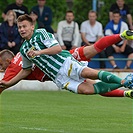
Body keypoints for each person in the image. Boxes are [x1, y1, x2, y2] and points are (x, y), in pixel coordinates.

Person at [0, 14, 133, 96]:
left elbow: (57, 48)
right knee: (87, 90)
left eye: (24, 26)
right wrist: (8, 83)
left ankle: (121, 36)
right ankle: (125, 84)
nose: (22, 29)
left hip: (65, 61)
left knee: (91, 66)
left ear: (32, 27)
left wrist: (39, 52)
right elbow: (26, 70)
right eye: (19, 27)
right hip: (58, 77)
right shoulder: (23, 49)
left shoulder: (40, 33)